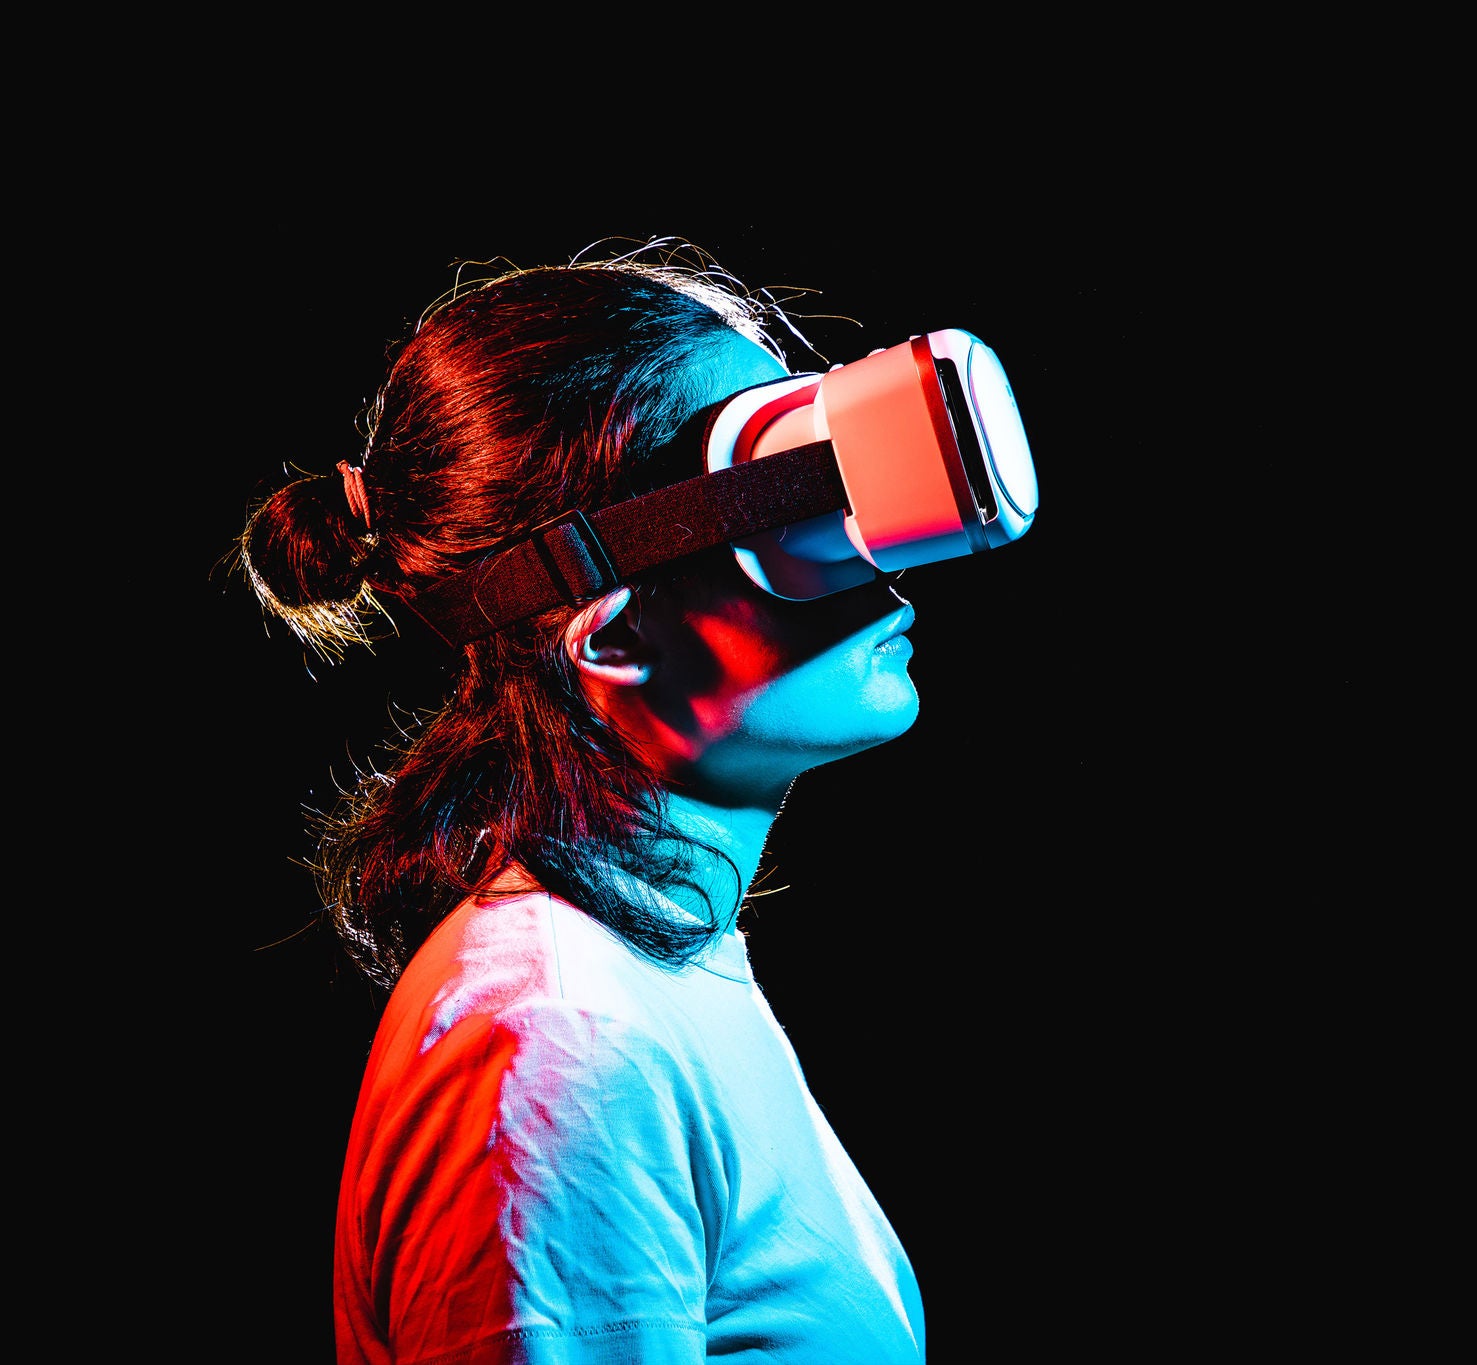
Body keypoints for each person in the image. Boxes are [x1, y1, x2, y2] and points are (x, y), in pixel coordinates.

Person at [232, 238, 1030, 1362]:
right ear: (613, 638)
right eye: (798, 519)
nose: (880, 563)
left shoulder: (646, 982)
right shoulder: (556, 1042)